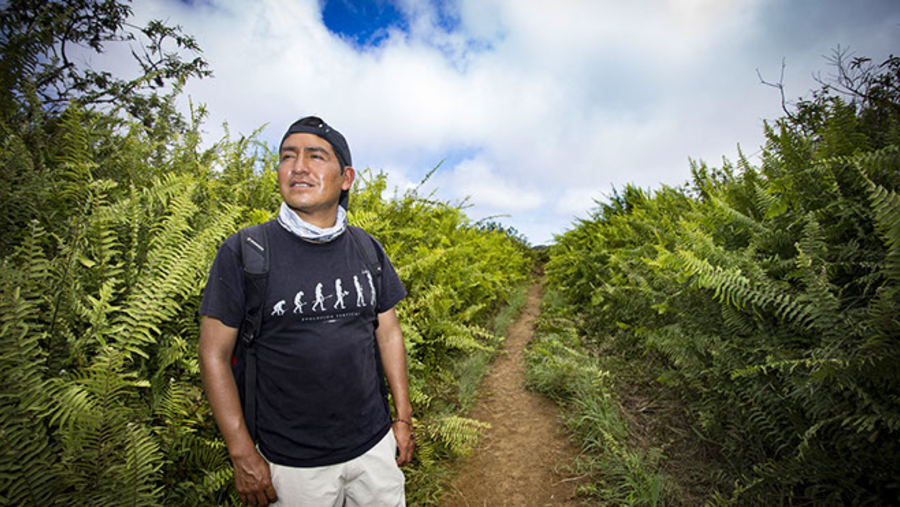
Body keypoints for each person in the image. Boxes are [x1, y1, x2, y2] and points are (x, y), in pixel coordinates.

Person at [199, 116, 414, 506]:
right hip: (290, 466)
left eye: (316, 156)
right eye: (287, 157)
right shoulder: (245, 252)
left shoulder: (368, 249)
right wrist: (242, 452)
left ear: (346, 177)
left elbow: (388, 333)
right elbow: (213, 354)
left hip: (374, 448)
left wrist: (402, 418)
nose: (298, 167)